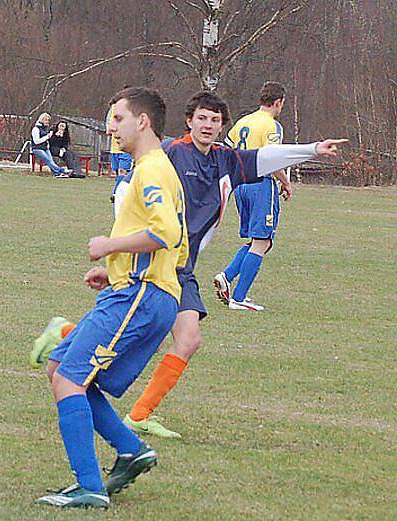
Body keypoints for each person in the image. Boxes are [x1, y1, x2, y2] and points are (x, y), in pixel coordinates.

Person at [33, 91, 346, 439]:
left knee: (186, 340)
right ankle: (68, 338)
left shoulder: (225, 160)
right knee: (153, 336)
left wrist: (312, 149)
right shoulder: (168, 153)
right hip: (158, 260)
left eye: (214, 120)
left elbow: (264, 156)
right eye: (201, 118)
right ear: (189, 121)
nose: (207, 125)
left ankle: (136, 412)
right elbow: (127, 194)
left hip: (182, 264)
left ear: (222, 125)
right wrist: (121, 255)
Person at [36, 87, 188, 509]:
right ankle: (131, 449)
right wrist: (116, 270)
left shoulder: (153, 170)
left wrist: (110, 245)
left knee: (70, 378)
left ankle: (89, 486)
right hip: (132, 289)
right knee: (58, 367)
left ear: (143, 122)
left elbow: (166, 234)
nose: (111, 127)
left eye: (118, 119)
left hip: (140, 296)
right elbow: (177, 247)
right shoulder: (150, 168)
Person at [214, 81, 291, 311]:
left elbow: (227, 151)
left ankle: (227, 276)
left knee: (257, 241)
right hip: (261, 184)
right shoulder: (271, 125)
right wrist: (285, 182)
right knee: (263, 241)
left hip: (241, 186)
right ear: (278, 102)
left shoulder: (243, 122)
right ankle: (238, 297)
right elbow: (272, 157)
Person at [31, 112, 70, 178]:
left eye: (48, 120)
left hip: (45, 148)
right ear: (41, 120)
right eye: (45, 120)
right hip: (37, 148)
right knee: (48, 160)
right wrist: (47, 137)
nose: (47, 121)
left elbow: (51, 140)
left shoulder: (46, 128)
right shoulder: (36, 129)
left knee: (51, 161)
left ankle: (58, 174)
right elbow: (36, 141)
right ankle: (62, 170)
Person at [105, 105, 134, 177]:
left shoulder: (133, 108)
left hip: (127, 149)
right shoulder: (113, 108)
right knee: (116, 173)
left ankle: (121, 188)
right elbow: (108, 130)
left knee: (123, 172)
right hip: (114, 149)